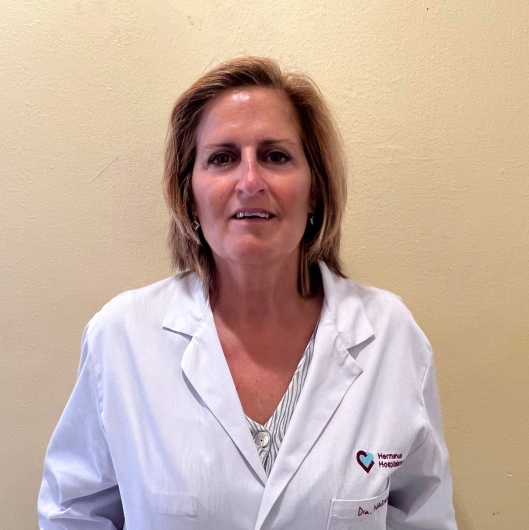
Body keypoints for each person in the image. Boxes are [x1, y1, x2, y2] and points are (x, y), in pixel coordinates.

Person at [39, 57, 457, 529]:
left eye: (276, 156)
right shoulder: (122, 337)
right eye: (222, 158)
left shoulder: (389, 335)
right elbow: (73, 513)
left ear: (315, 191)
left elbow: (423, 516)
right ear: (189, 194)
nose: (251, 181)